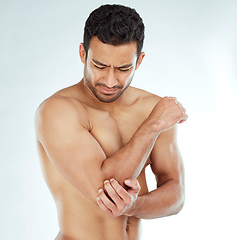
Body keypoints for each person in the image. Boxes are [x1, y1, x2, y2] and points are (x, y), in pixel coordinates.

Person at [35, 4, 188, 240]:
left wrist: (135, 205)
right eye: (100, 66)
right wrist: (153, 125)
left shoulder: (152, 108)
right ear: (83, 54)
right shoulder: (57, 111)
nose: (110, 80)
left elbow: (175, 193)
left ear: (139, 61)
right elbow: (104, 193)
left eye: (123, 68)